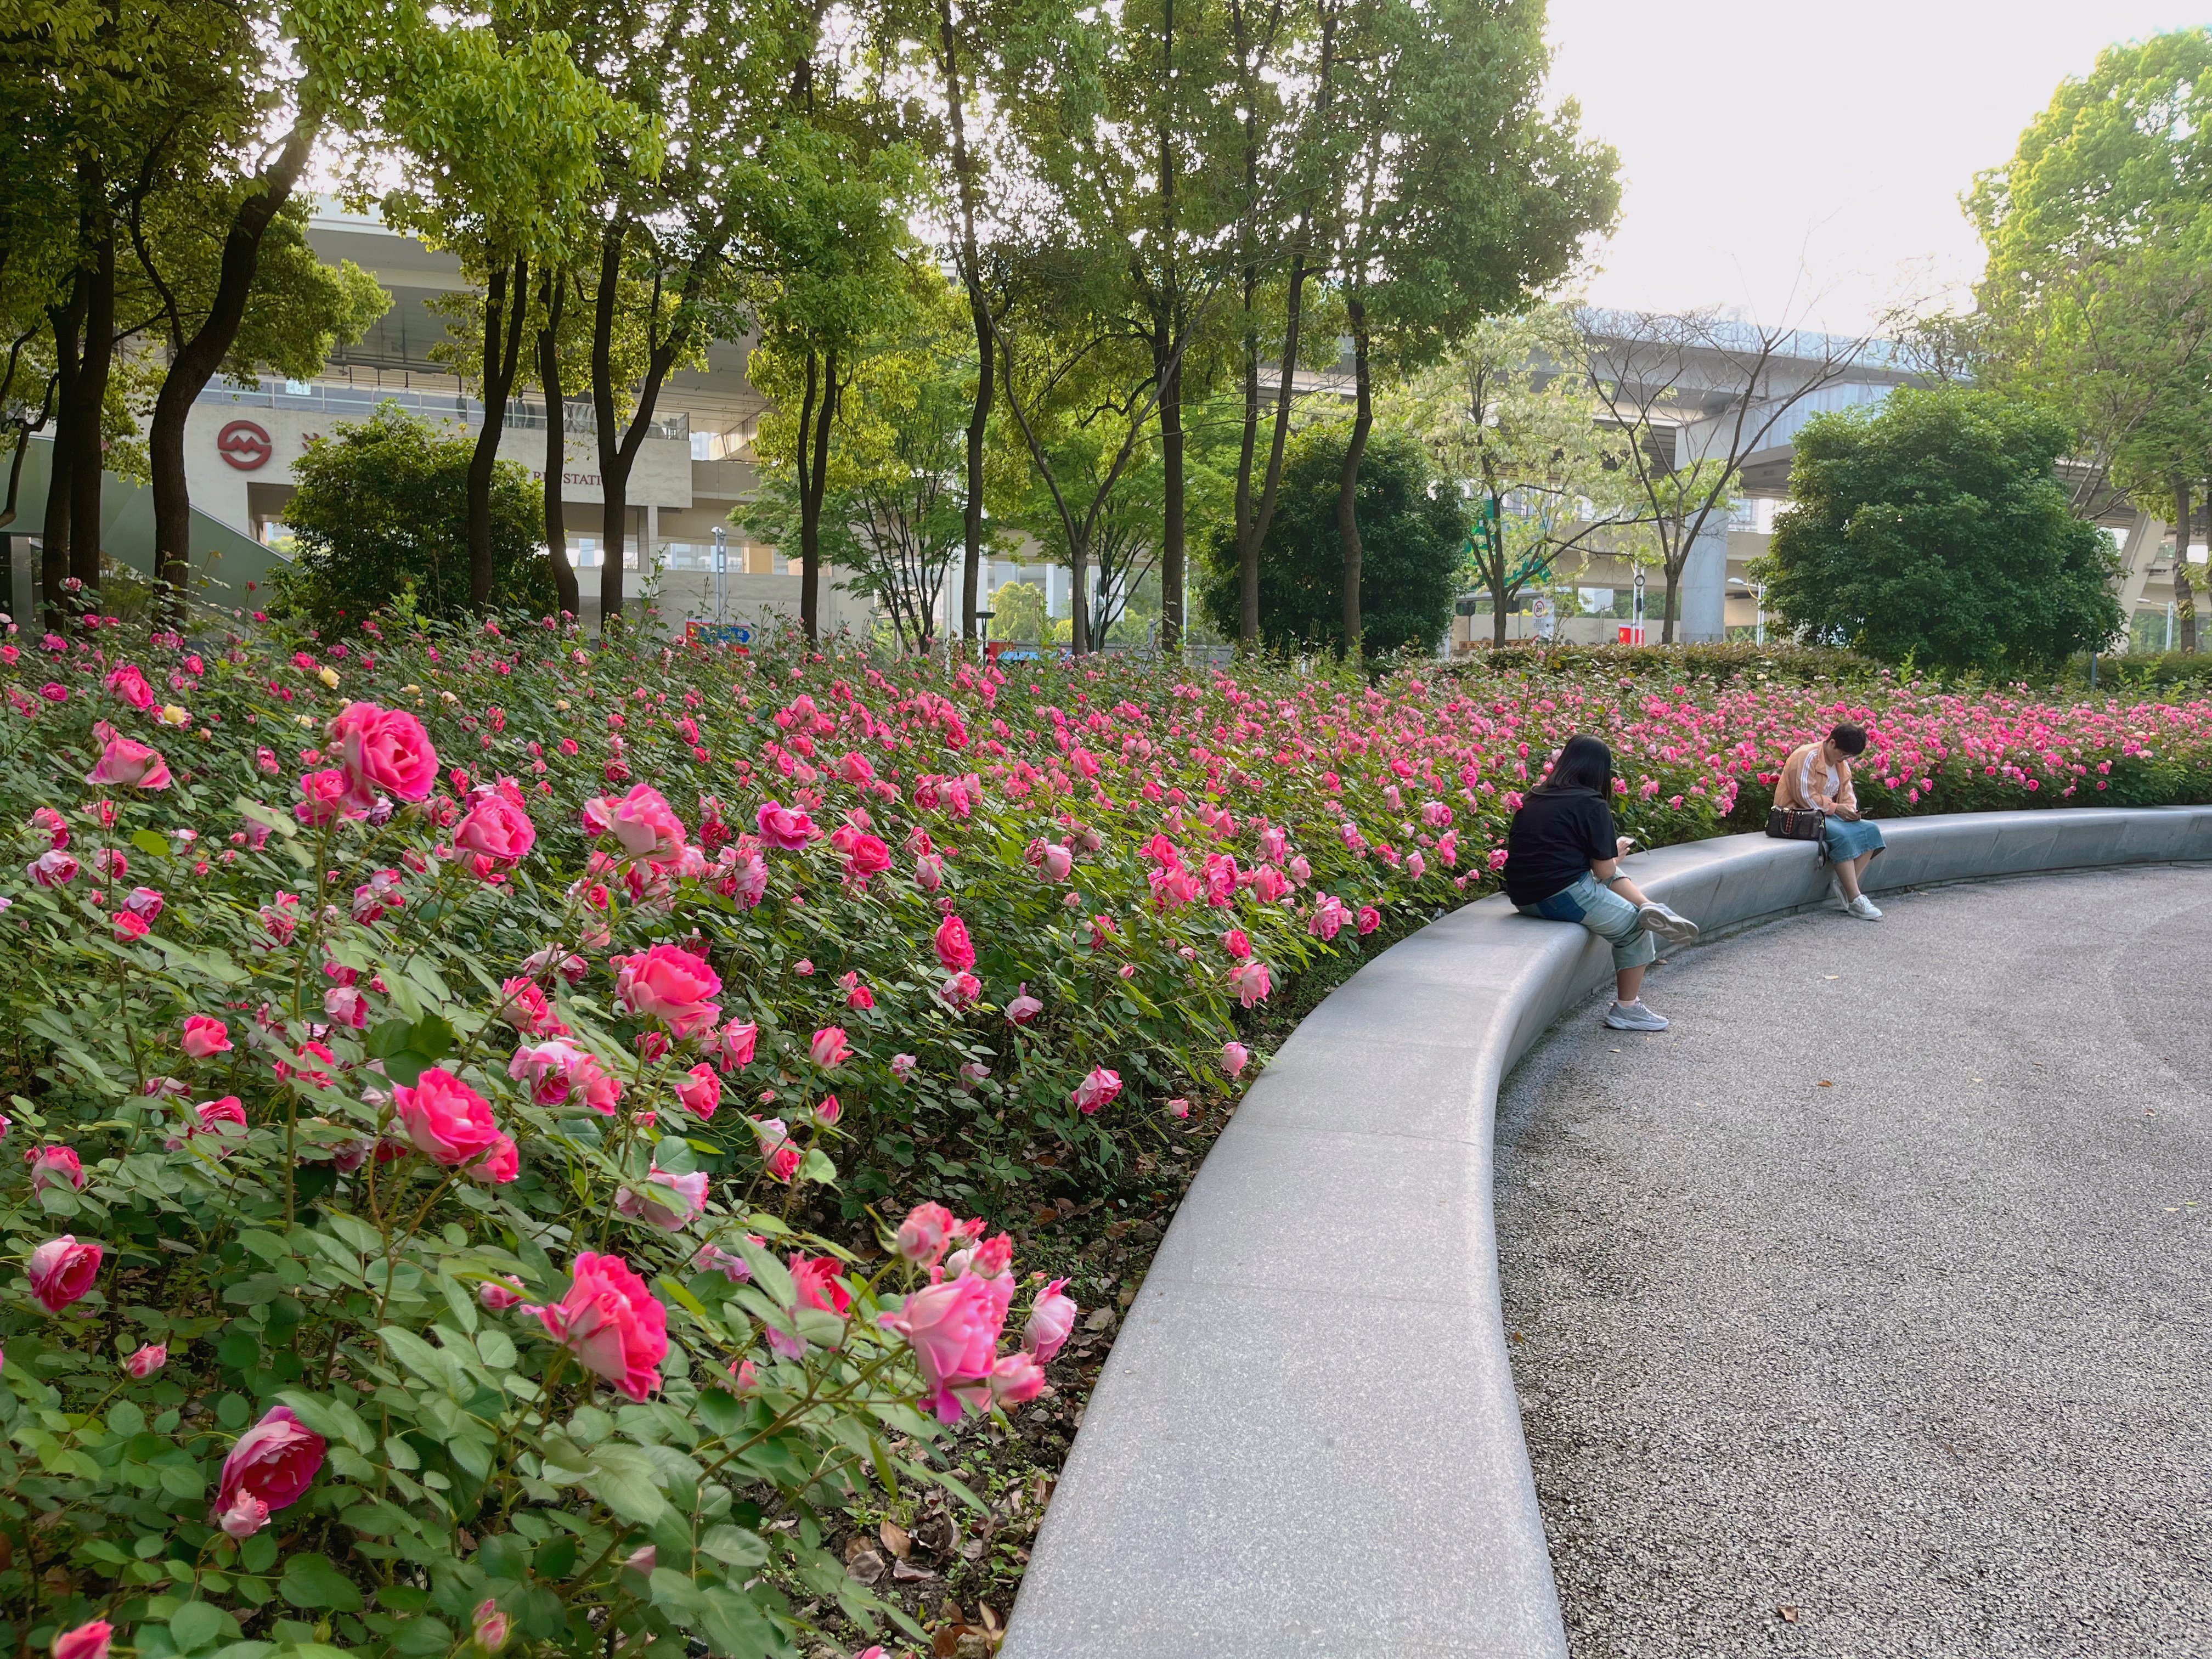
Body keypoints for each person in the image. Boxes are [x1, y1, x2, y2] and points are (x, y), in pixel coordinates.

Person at [1505, 735, 1699, 1032]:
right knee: (1636, 927)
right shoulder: (1591, 803)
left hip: (1523, 896)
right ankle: (1627, 1010)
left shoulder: (1532, 796)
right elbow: (1605, 870)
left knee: (1601, 880)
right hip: (1560, 896)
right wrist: (1617, 854)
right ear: (1600, 771)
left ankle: (1650, 905)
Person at [1774, 721, 1887, 920]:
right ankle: (1854, 898)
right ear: (1832, 743)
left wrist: (1852, 811)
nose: (1844, 760)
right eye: (1843, 754)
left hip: (1826, 815)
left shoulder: (1840, 763)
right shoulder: (1806, 756)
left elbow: (1847, 791)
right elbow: (1805, 798)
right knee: (1843, 835)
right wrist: (1836, 809)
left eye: (1848, 757)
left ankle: (1846, 888)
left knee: (1871, 831)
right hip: (1798, 815)